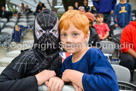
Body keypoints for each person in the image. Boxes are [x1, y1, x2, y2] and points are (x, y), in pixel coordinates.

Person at [45, 10, 119, 91]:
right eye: (64, 34)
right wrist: (60, 81)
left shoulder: (94, 54)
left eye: (75, 34)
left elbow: (110, 85)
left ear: (86, 36)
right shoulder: (67, 62)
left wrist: (72, 75)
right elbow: (64, 80)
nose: (68, 40)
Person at [0, 9, 62, 91]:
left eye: (53, 31)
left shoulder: (58, 59)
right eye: (41, 31)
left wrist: (60, 80)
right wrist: (36, 80)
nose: (47, 35)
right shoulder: (28, 57)